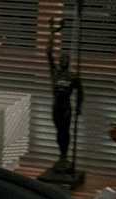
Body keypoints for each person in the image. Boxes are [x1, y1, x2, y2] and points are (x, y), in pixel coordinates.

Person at [48, 17, 83, 173]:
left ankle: (64, 156)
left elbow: (81, 91)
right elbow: (48, 52)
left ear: (68, 62)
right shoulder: (55, 73)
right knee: (59, 132)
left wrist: (79, 107)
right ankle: (61, 156)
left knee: (65, 132)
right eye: (61, 58)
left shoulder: (72, 77)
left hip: (66, 108)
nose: (63, 61)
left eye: (65, 59)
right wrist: (53, 32)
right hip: (55, 107)